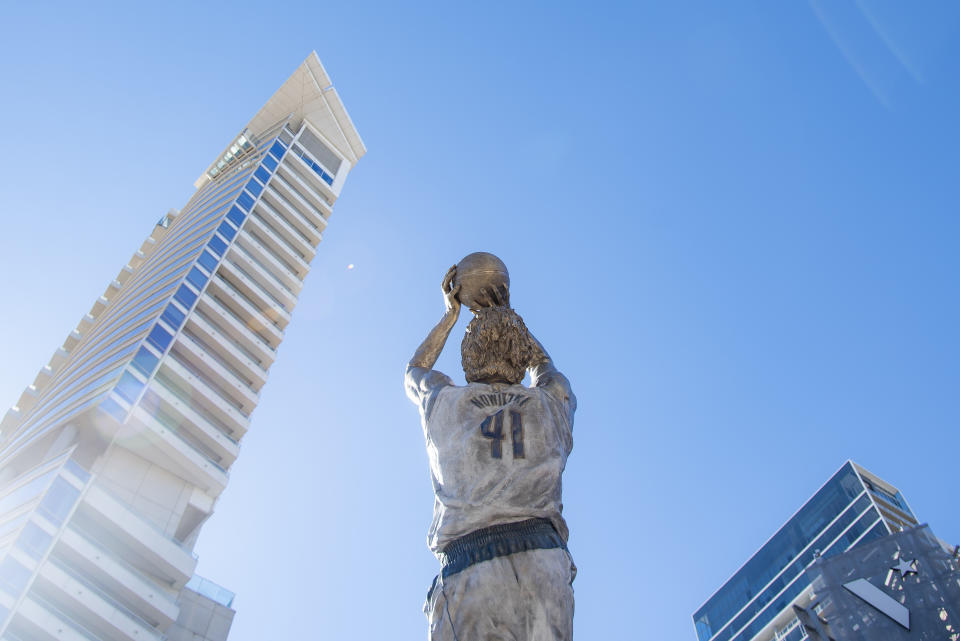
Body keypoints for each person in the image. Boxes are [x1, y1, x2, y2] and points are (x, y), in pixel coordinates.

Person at [405, 264, 577, 641]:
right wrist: (509, 318)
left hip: (470, 564)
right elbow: (548, 369)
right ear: (521, 356)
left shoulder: (445, 403)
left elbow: (414, 370)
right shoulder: (550, 405)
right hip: (543, 561)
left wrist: (451, 316)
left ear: (468, 357)